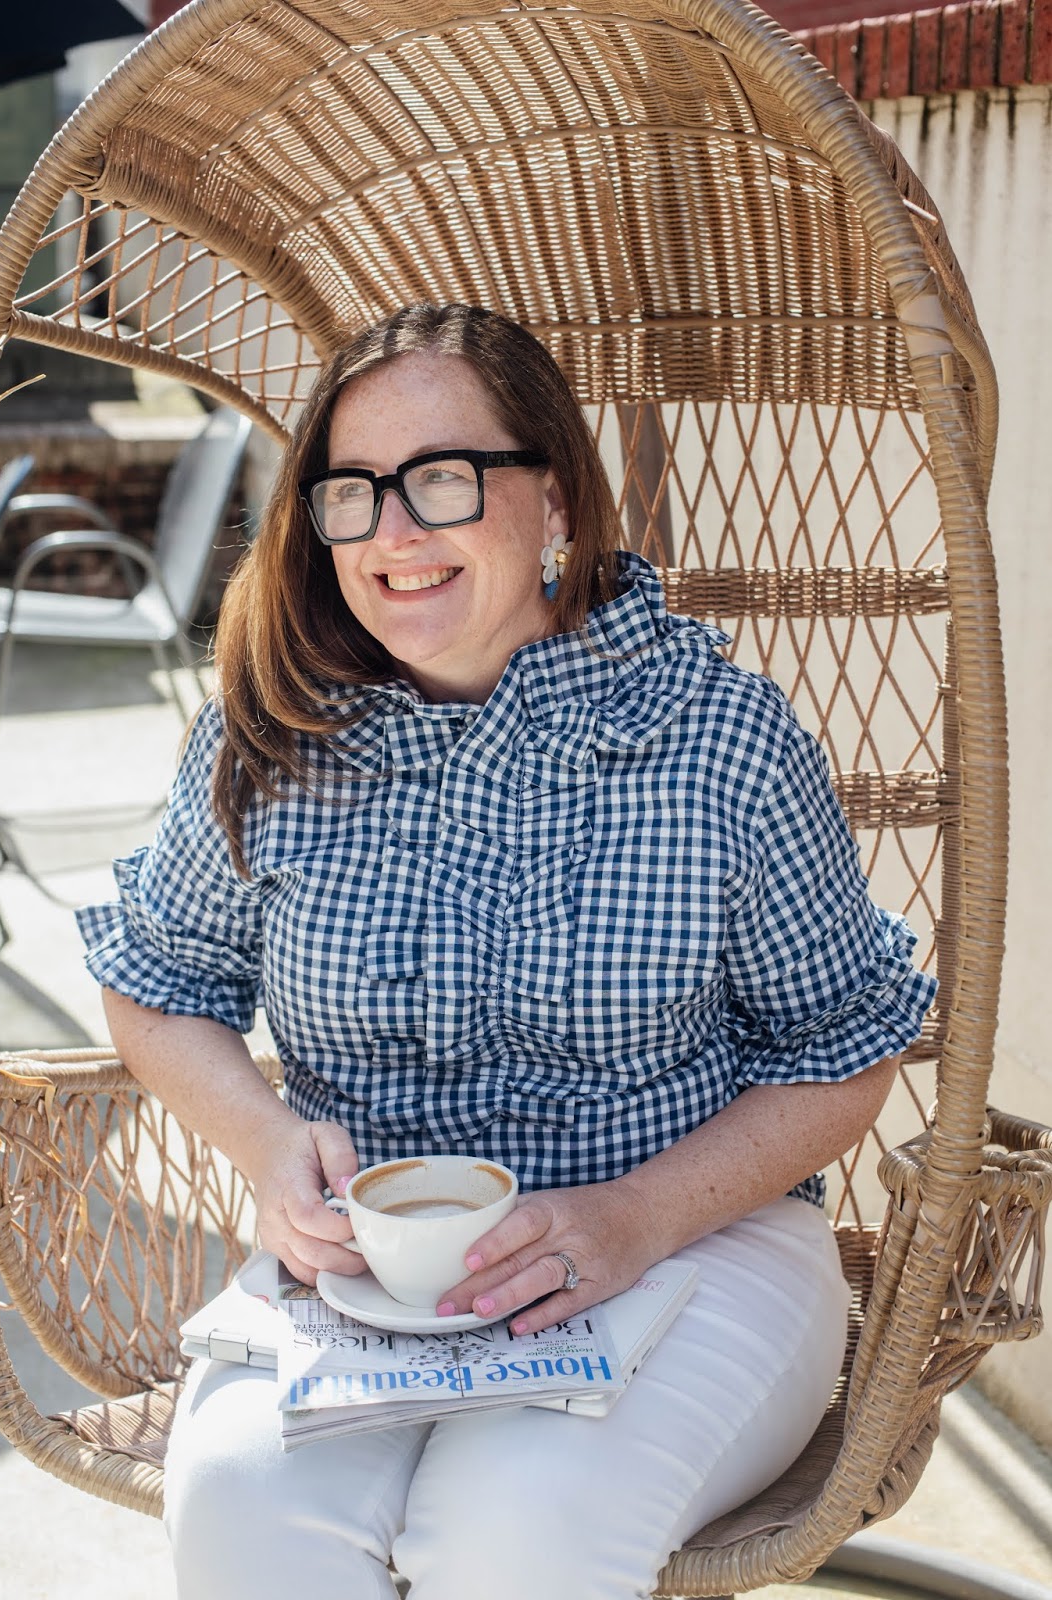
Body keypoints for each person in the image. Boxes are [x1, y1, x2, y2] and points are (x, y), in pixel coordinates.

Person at [78, 302, 936, 1600]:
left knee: (511, 1531)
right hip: (369, 1281)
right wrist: (263, 1142)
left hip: (697, 1244)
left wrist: (636, 1217)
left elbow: (841, 1053)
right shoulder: (271, 743)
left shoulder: (718, 740)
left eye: (442, 479)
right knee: (242, 1510)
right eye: (353, 492)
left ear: (556, 500)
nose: (393, 532)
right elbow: (158, 985)